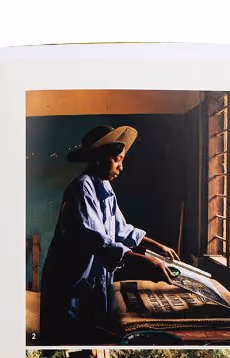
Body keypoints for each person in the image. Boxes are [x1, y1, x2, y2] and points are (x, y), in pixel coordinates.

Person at [39, 124, 178, 345]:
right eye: (117, 160)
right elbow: (100, 243)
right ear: (99, 158)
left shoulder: (105, 188)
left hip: (89, 287)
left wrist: (157, 247)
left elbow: (122, 229)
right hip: (69, 288)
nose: (121, 167)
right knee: (68, 339)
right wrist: (147, 262)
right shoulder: (81, 189)